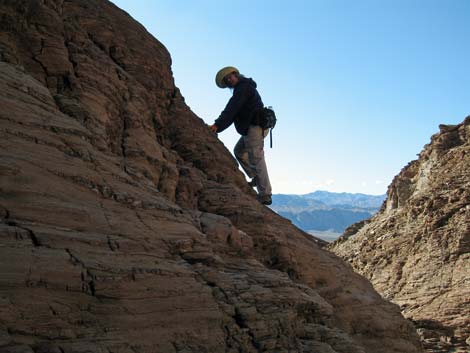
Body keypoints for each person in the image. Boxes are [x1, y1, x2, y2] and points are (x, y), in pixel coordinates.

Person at [209, 66, 272, 205]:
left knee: (256, 157)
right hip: (254, 127)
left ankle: (265, 194)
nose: (229, 80)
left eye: (230, 77)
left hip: (255, 127)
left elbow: (232, 109)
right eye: (226, 81)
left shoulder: (243, 88)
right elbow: (234, 110)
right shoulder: (244, 88)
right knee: (239, 151)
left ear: (236, 74)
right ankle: (256, 177)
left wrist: (217, 125)